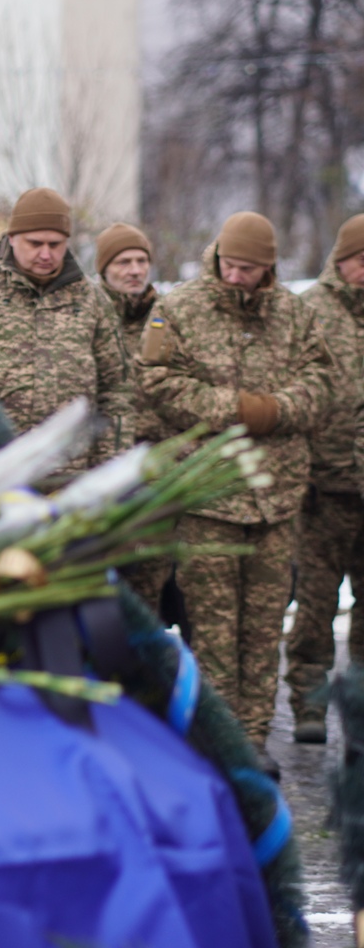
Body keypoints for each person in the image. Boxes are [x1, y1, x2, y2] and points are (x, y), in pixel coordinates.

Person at [141, 210, 333, 775]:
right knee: (215, 629)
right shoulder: (179, 310)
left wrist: (275, 412)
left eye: (248, 269)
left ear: (269, 268)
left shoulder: (295, 315)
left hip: (274, 498)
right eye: (229, 264)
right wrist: (232, 409)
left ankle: (252, 740)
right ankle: (220, 742)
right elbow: (154, 380)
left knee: (263, 625)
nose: (236, 277)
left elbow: (323, 383)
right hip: (209, 496)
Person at [0, 187, 131, 473]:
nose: (46, 254)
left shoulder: (92, 301)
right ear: (12, 239)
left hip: (72, 477)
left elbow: (117, 391)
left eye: (55, 244)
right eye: (35, 243)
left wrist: (111, 469)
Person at [285, 214, 364, 743]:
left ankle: (357, 708)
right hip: (321, 489)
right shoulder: (309, 309)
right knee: (315, 606)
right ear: (342, 259)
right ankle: (309, 706)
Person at [93, 222, 174, 610]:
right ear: (104, 268)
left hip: (157, 476)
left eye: (142, 260)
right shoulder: (87, 316)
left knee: (150, 590)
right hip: (101, 477)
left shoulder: (169, 317)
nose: (135, 270)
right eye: (124, 261)